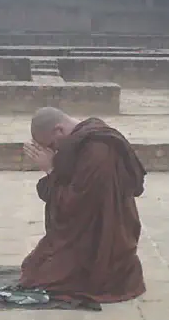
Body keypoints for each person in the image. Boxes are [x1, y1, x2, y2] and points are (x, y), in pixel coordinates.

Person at [18, 107, 147, 307]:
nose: (55, 151)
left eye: (53, 145)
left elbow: (74, 205)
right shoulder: (84, 140)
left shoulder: (98, 150)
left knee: (41, 277)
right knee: (32, 267)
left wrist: (50, 169)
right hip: (88, 228)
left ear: (59, 130)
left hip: (105, 240)